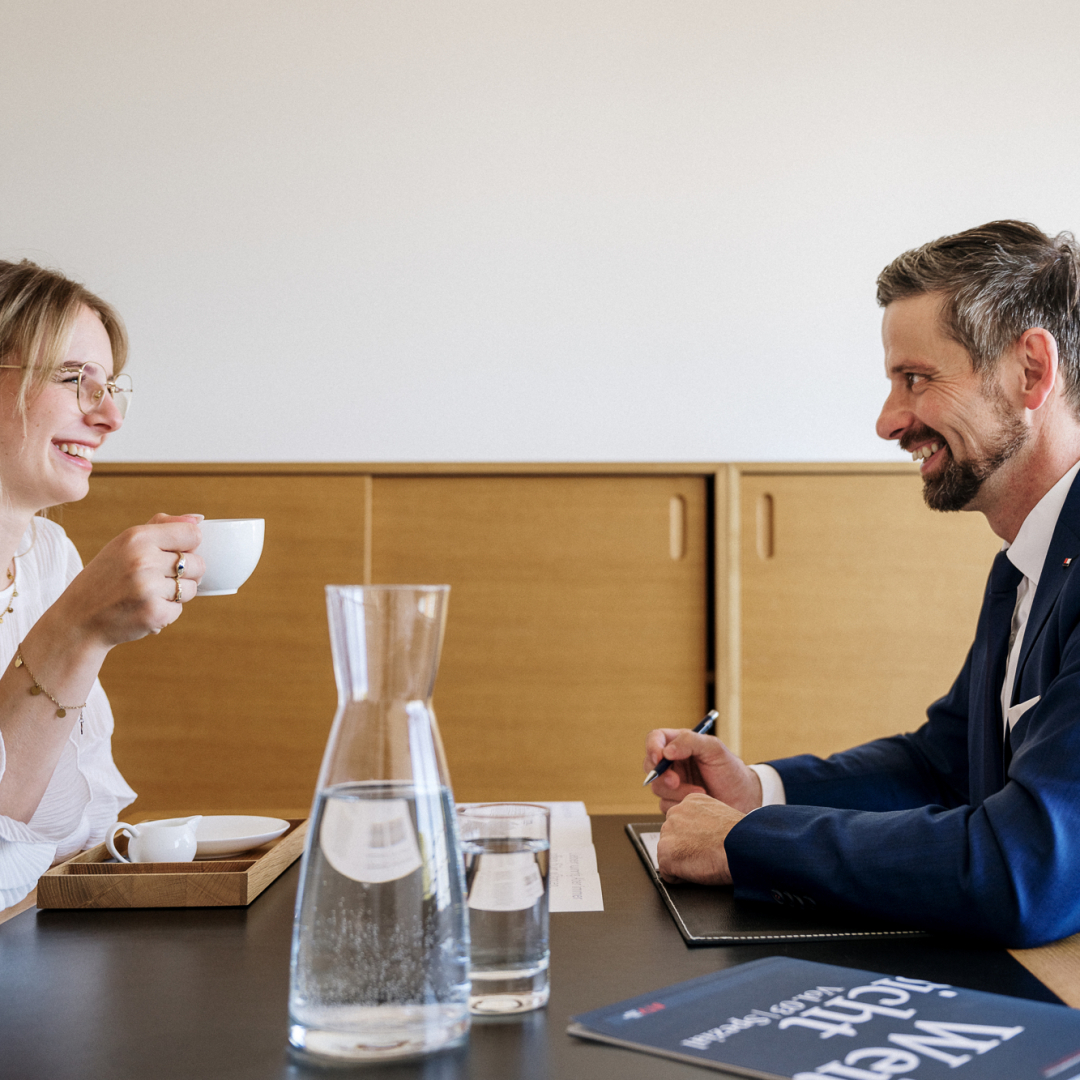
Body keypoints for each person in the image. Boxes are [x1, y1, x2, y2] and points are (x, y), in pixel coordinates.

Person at [645, 220, 1080, 948]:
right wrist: (759, 791)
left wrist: (748, 841)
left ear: (1031, 371)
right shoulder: (1023, 569)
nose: (888, 422)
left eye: (917, 379)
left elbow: (1027, 869)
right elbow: (941, 766)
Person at [0, 259, 205, 909]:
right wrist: (78, 626)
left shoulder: (48, 556)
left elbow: (80, 826)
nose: (110, 417)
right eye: (73, 379)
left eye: (111, 386)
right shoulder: (68, 582)